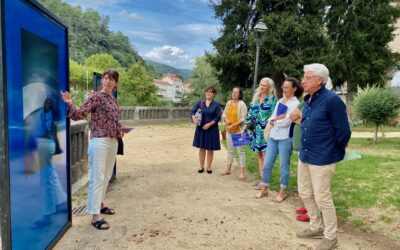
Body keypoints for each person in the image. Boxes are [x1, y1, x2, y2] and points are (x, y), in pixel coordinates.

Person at [61, 69, 125, 230]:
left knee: (106, 176)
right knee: (97, 177)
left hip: (112, 141)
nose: (108, 81)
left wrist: (120, 129)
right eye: (106, 78)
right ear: (102, 80)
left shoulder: (113, 99)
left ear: (116, 83)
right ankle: (95, 215)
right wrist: (70, 103)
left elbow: (113, 120)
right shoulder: (95, 96)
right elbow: (79, 114)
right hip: (99, 141)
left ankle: (101, 204)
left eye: (112, 79)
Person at [296, 64, 351, 250]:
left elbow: (343, 131)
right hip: (305, 154)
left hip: (323, 157)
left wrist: (333, 152)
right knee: (304, 192)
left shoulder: (332, 100)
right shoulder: (308, 99)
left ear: (319, 80)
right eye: (304, 76)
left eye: (307, 77)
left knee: (322, 198)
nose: (303, 80)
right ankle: (316, 226)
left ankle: (331, 236)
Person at [255, 77, 302, 202]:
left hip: (285, 138)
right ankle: (264, 188)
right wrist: (273, 120)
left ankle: (282, 192)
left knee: (284, 166)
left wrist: (275, 121)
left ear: (294, 89)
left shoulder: (295, 103)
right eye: (283, 87)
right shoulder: (280, 100)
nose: (284, 89)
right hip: (273, 137)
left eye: (287, 87)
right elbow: (273, 116)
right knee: (267, 164)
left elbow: (287, 120)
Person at [32, 98, 67, 228]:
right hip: (49, 143)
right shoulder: (51, 112)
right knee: (51, 176)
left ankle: (47, 216)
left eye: (48, 101)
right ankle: (59, 202)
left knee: (46, 180)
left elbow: (46, 128)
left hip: (44, 144)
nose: (46, 103)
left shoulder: (45, 113)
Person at [244, 78, 277, 181]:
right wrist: (245, 127)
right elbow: (250, 115)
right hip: (256, 131)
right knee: (259, 155)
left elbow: (274, 115)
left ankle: (265, 180)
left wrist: (271, 125)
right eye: (261, 85)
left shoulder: (272, 99)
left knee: (265, 156)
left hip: (266, 131)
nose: (262, 87)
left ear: (269, 87)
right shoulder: (256, 99)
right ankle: (262, 178)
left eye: (264, 85)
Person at [191, 86, 221, 174]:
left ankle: (209, 167)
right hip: (201, 129)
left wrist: (209, 124)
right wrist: (193, 118)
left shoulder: (216, 105)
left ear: (214, 94)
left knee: (210, 149)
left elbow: (218, 117)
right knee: (202, 148)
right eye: (207, 91)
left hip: (212, 129)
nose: (209, 93)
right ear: (205, 93)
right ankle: (201, 166)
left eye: (211, 92)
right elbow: (192, 112)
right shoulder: (200, 103)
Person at [221, 87, 248, 179]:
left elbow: (243, 119)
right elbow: (224, 113)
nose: (234, 94)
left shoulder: (242, 104)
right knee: (230, 151)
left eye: (236, 93)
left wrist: (233, 125)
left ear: (239, 95)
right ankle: (228, 169)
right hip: (229, 131)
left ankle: (242, 173)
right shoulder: (229, 103)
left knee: (241, 151)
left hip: (239, 131)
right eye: (233, 92)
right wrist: (226, 119)